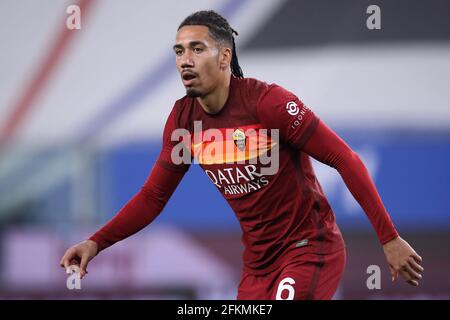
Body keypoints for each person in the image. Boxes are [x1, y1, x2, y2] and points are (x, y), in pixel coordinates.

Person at [60, 10, 424, 300]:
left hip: (309, 249)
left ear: (224, 56)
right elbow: (153, 197)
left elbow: (346, 159)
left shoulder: (269, 103)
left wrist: (389, 238)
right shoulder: (183, 121)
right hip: (257, 268)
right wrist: (97, 241)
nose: (185, 60)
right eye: (179, 51)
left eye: (197, 49)